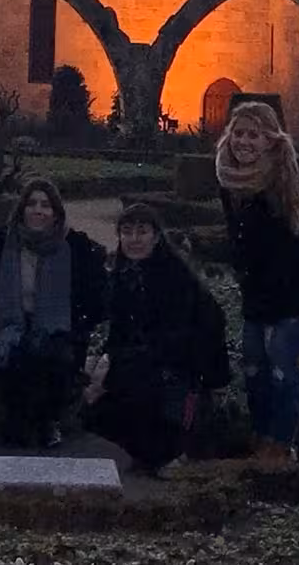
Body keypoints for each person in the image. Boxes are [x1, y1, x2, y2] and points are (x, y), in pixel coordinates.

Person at [216, 101, 299, 463]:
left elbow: (293, 247)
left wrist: (280, 306)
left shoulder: (284, 178)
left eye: (253, 135)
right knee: (253, 363)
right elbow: (239, 239)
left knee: (281, 362)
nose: (244, 142)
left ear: (270, 140)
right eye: (239, 133)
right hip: (260, 287)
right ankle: (261, 435)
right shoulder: (228, 178)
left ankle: (280, 444)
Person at [82, 203, 229, 476]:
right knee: (93, 402)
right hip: (143, 359)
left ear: (157, 236)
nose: (134, 239)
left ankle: (167, 452)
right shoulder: (122, 276)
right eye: (127, 232)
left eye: (142, 232)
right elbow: (120, 332)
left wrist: (117, 366)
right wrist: (102, 363)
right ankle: (147, 452)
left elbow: (184, 335)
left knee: (133, 385)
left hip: (179, 365)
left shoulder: (175, 277)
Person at [0, 177, 106, 448]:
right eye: (32, 204)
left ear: (56, 212)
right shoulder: (0, 244)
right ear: (21, 209)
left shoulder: (76, 247)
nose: (38, 210)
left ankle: (47, 422)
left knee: (51, 354)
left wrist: (79, 326)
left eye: (45, 205)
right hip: (9, 324)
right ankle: (18, 422)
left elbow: (96, 298)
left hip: (59, 327)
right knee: (17, 353)